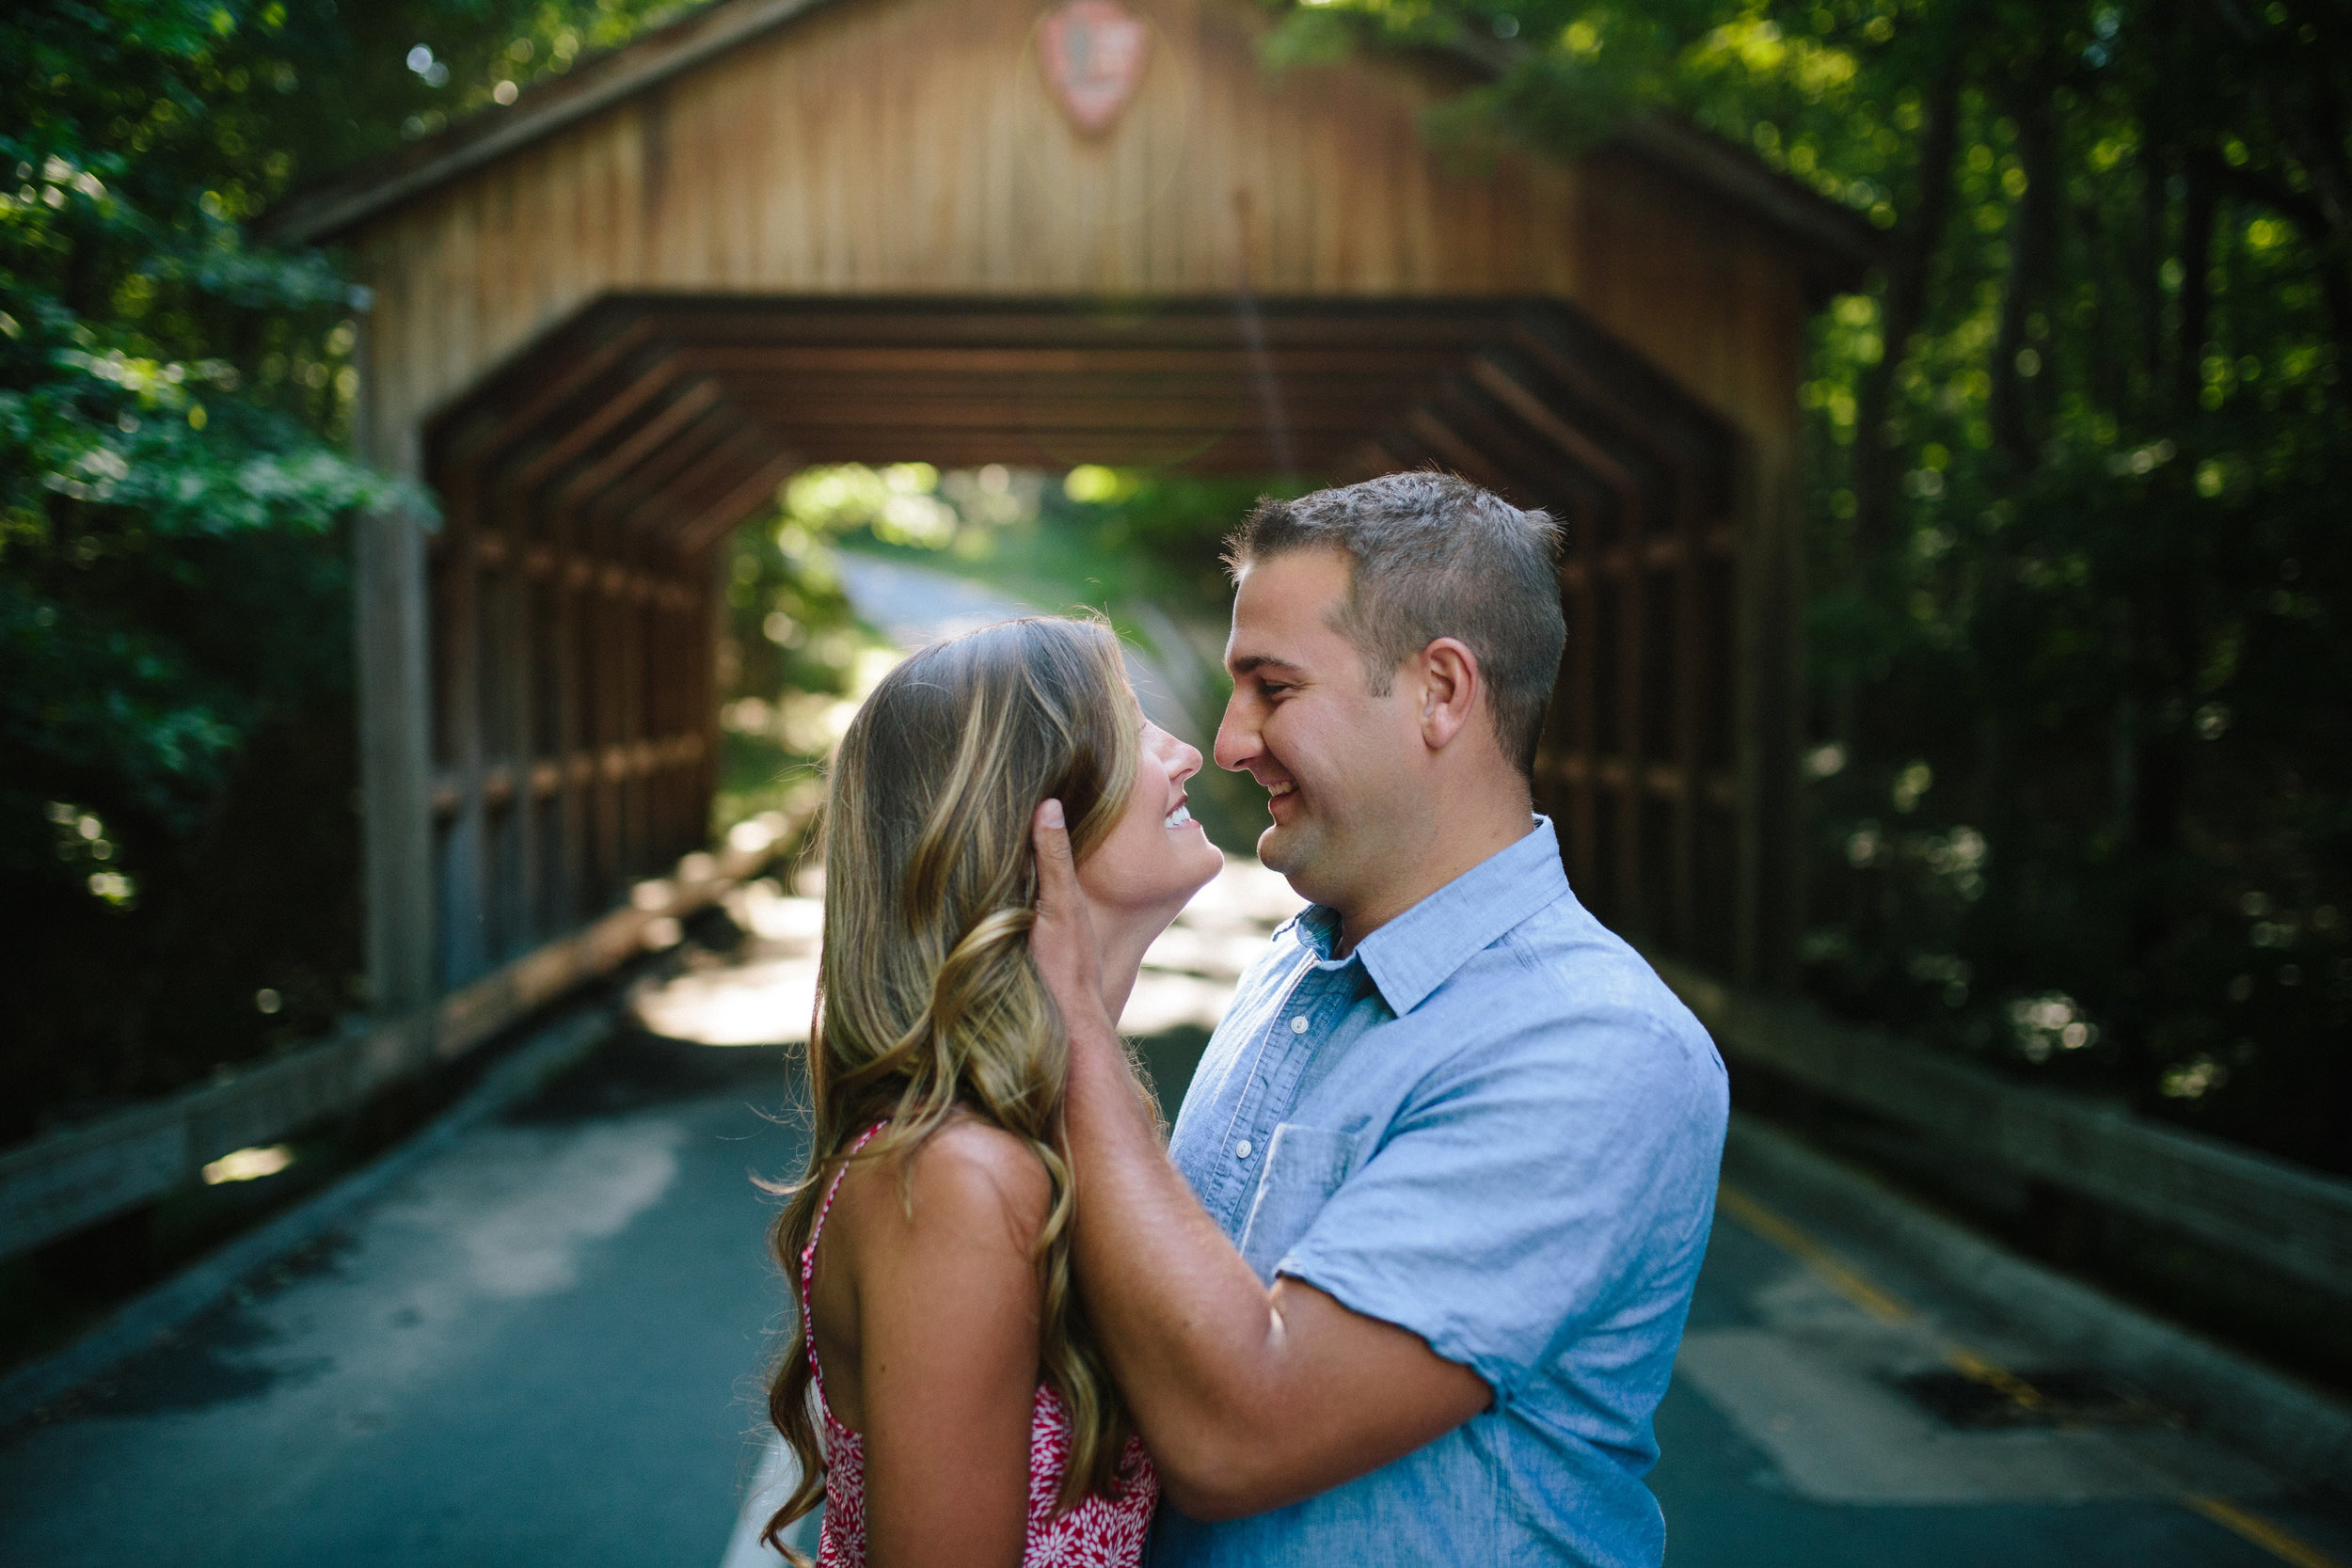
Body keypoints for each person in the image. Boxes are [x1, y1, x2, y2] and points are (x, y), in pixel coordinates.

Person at [1028, 472, 1730, 1566]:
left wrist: (1071, 1026)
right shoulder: (1287, 972)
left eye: (1272, 686)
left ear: (1440, 691)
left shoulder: (1592, 1045)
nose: (1228, 742)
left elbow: (1232, 1438)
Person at [760, 616, 1224, 1568]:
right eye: (1136, 731)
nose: (1186, 756)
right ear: (1027, 815)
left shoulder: (1057, 1127)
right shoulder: (960, 1176)